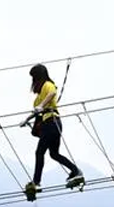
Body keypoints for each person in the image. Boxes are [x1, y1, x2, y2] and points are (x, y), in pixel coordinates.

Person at [21, 64, 84, 193]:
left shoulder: (47, 85)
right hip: (51, 124)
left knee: (40, 152)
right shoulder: (38, 97)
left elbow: (52, 92)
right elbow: (37, 111)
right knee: (54, 154)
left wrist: (42, 106)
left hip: (51, 122)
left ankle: (36, 182)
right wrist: (27, 120)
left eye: (34, 77)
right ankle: (76, 171)